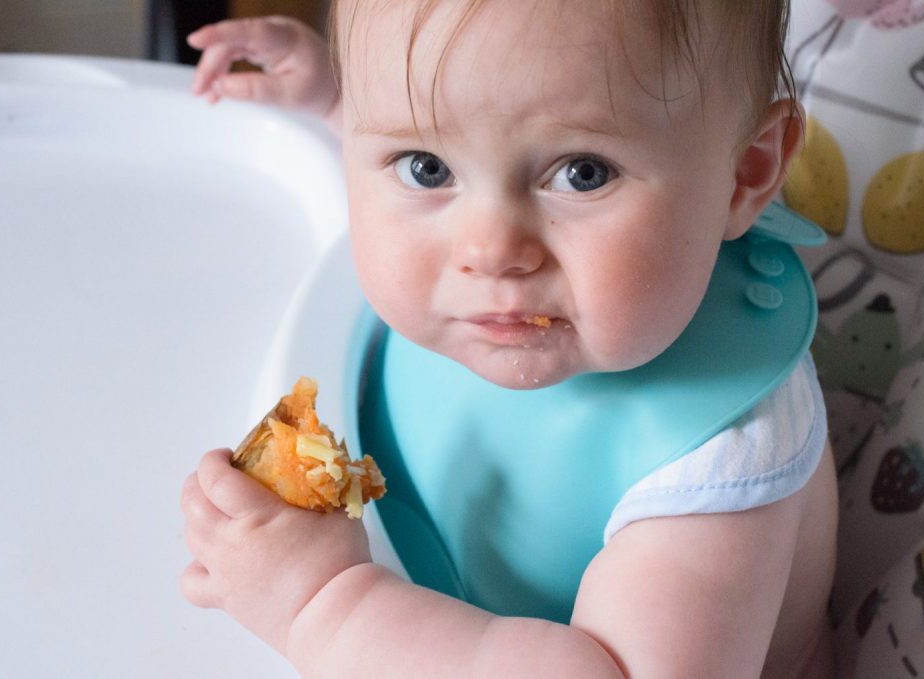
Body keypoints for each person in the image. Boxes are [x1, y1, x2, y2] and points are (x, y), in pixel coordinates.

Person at [179, 2, 839, 677]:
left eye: (582, 172)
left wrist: (320, 605)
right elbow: (484, 108)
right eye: (426, 167)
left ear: (747, 171)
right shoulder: (508, 289)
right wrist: (339, 98)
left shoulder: (720, 467)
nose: (490, 251)